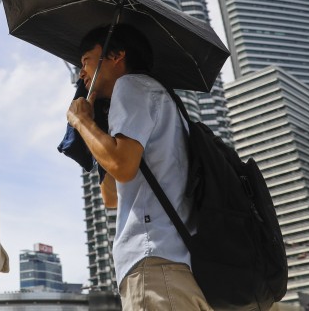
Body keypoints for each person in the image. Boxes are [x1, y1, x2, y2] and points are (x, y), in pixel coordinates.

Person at [66, 24, 212, 311]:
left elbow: (122, 165)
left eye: (85, 61)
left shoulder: (131, 85)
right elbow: (111, 196)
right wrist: (100, 128)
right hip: (176, 263)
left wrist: (81, 122)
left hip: (154, 262)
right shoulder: (160, 98)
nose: (80, 73)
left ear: (117, 55)